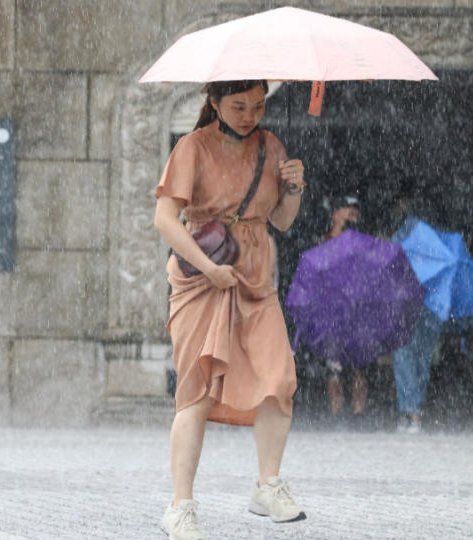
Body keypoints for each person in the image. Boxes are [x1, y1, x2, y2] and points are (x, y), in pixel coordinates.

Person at [153, 80, 308, 539]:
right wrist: (208, 269)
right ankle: (181, 505)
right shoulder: (191, 147)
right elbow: (165, 218)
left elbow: (280, 220)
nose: (249, 114)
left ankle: (268, 484)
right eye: (239, 106)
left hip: (255, 280)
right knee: (197, 391)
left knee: (279, 378)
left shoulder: (271, 147)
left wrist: (294, 188)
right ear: (215, 103)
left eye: (258, 106)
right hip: (203, 278)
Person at [321, 195, 370, 425]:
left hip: (357, 313)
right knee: (334, 369)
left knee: (359, 367)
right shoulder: (323, 241)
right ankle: (336, 414)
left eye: (355, 210)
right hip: (332, 315)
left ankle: (359, 415)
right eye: (347, 209)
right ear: (335, 214)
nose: (353, 213)